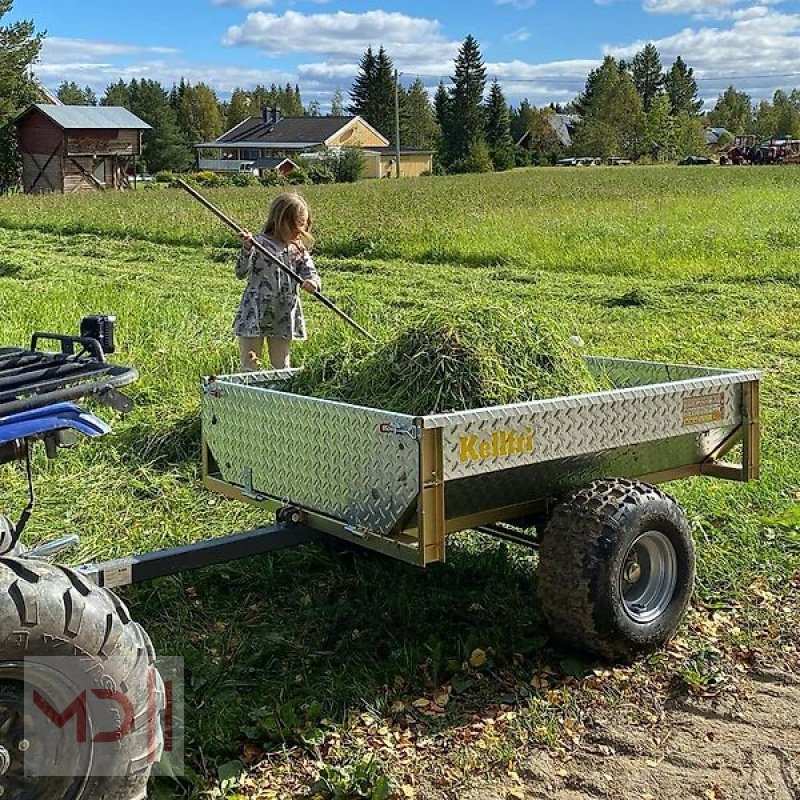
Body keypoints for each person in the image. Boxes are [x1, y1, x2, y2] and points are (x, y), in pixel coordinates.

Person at [233, 192, 320, 371]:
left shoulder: (298, 249)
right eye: (295, 226)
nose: (299, 231)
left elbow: (310, 272)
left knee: (282, 366)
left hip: (284, 311)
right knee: (250, 366)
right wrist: (247, 249)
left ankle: (278, 397)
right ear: (280, 221)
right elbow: (240, 272)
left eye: (302, 226)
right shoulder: (259, 243)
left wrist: (313, 283)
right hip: (256, 310)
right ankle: (249, 396)